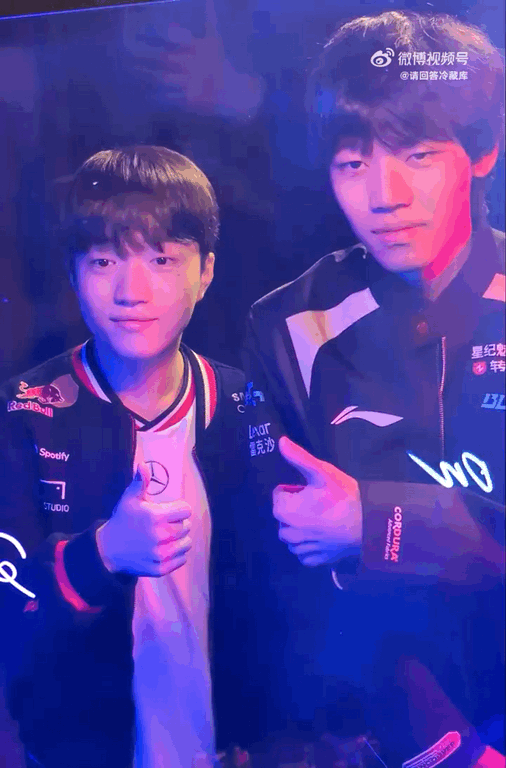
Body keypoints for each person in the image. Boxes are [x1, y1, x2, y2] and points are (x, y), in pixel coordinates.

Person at [243, 11, 505, 768]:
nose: (384, 195)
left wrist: (378, 521)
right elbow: (287, 571)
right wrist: (448, 750)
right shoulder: (291, 324)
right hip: (399, 737)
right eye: (352, 164)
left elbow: (351, 528)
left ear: (482, 151)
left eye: (417, 155)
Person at [0, 145, 256, 768]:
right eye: (104, 260)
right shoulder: (22, 414)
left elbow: (281, 608)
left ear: (207, 272)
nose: (131, 291)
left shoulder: (248, 405)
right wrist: (104, 553)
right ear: (73, 273)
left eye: (162, 259)